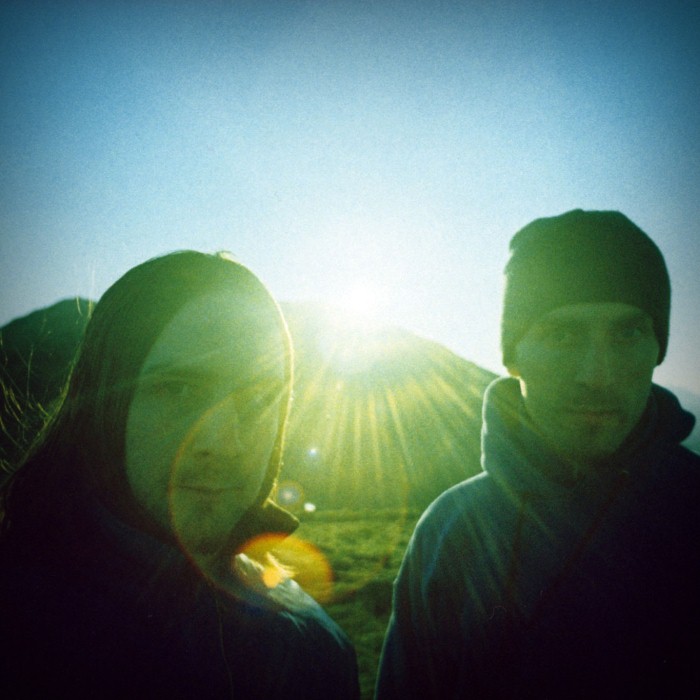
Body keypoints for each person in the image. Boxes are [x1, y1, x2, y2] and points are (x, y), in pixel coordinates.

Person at [0, 250, 359, 699]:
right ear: (104, 405)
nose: (222, 443)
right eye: (179, 389)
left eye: (258, 398)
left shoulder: (313, 648)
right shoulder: (19, 635)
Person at [376, 210, 700, 698]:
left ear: (657, 348)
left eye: (628, 333)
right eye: (562, 335)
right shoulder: (453, 531)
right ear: (512, 356)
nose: (596, 374)